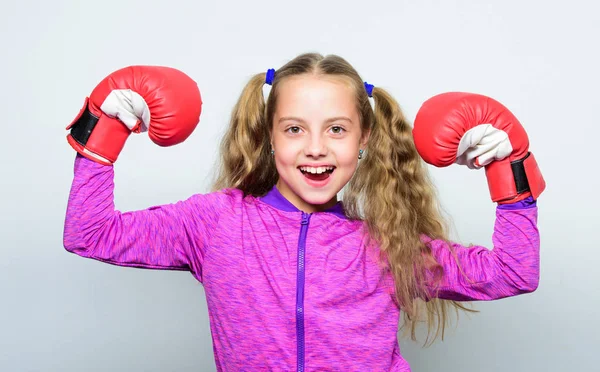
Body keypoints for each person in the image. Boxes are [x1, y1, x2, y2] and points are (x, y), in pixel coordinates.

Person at [63, 53, 544, 372]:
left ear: (364, 141)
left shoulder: (387, 244)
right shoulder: (215, 224)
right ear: (268, 138)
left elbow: (513, 272)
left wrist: (511, 172)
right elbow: (90, 233)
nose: (316, 148)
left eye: (336, 129)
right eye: (294, 129)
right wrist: (101, 131)